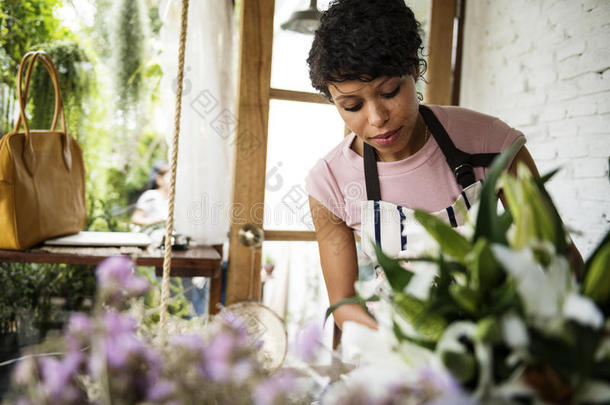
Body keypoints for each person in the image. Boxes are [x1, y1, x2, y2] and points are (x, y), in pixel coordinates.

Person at [304, 0, 578, 333]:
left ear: (415, 71)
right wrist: (415, 350)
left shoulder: (491, 143)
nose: (377, 119)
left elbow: (559, 256)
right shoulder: (328, 183)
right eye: (352, 106)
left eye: (390, 91)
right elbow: (344, 304)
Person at [131, 162, 170, 227]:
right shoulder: (152, 195)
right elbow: (136, 218)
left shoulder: (172, 199)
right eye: (170, 177)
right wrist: (155, 221)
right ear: (159, 179)